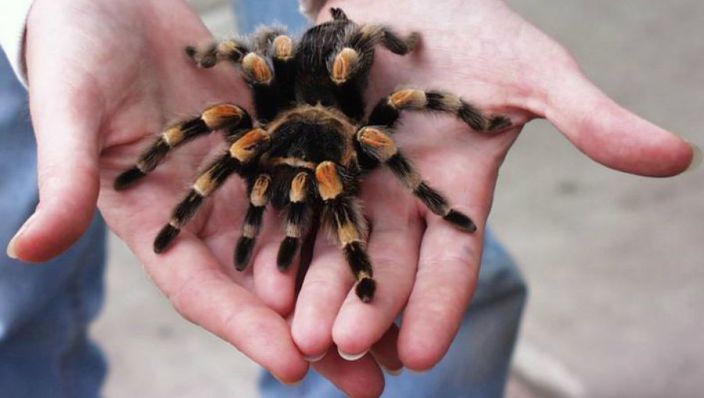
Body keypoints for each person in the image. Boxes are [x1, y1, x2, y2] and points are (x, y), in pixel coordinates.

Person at [0, 0, 696, 397]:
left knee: (425, 271)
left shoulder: (370, 130)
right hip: (282, 108)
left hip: (337, 98)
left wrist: (368, 252)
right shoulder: (257, 132)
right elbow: (244, 72)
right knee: (257, 59)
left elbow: (403, 97)